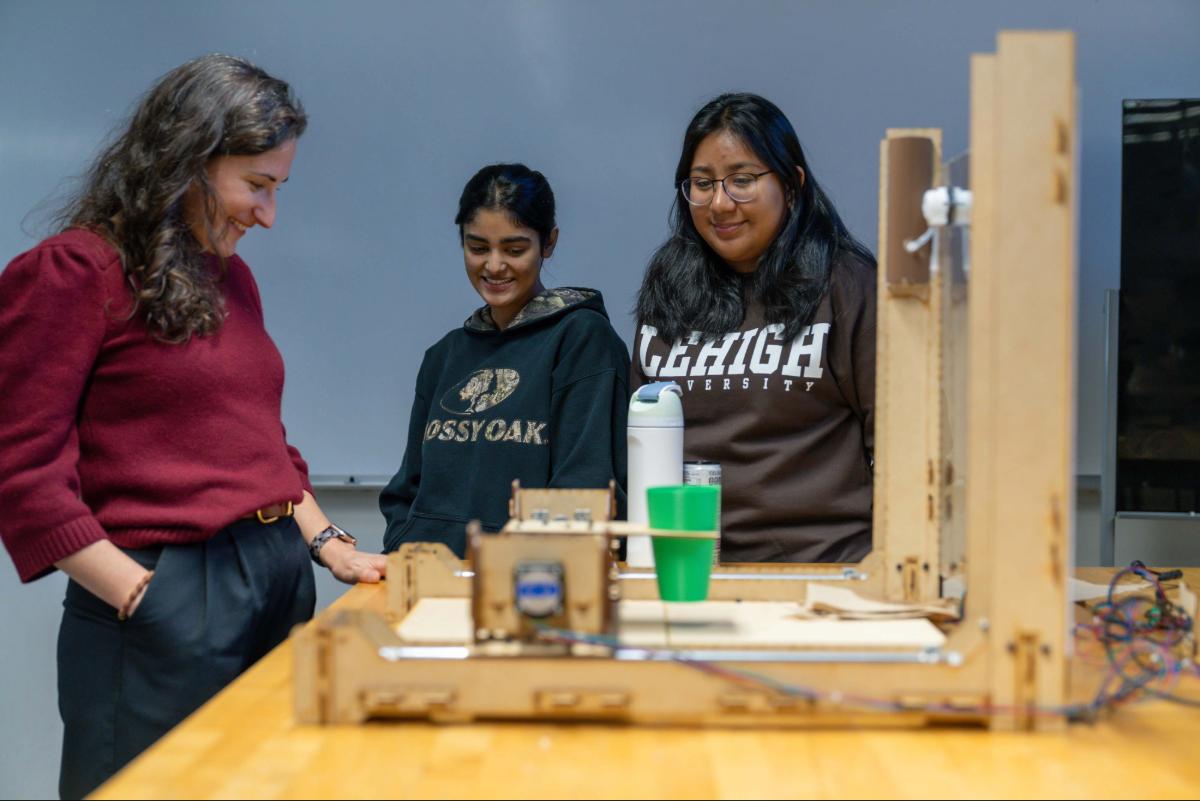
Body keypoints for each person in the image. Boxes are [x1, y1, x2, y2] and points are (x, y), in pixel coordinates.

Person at [0, 54, 386, 799]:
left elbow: (260, 438)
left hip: (273, 576)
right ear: (187, 163)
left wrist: (330, 547)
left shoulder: (230, 273)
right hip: (167, 589)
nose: (269, 214)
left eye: (279, 188)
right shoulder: (75, 272)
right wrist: (138, 595)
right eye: (257, 186)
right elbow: (20, 466)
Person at [632, 93, 877, 564]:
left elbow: (900, 448)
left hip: (824, 575)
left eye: (742, 180)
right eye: (702, 183)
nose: (720, 203)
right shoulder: (669, 290)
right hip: (689, 571)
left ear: (791, 184)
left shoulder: (847, 286)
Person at [381, 163, 630, 555]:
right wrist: (403, 545)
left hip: (527, 587)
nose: (494, 266)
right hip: (429, 581)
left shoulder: (582, 339)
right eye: (477, 247)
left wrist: (523, 578)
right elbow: (406, 491)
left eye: (514, 249)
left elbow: (583, 489)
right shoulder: (443, 357)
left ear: (549, 243)